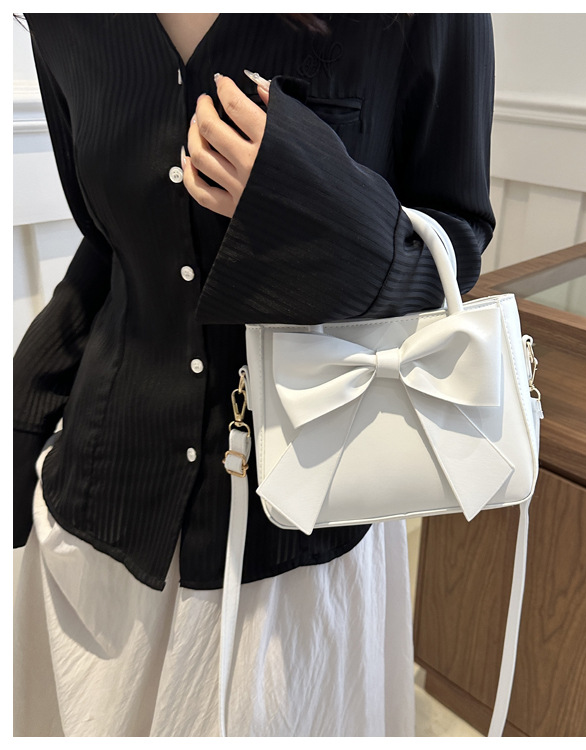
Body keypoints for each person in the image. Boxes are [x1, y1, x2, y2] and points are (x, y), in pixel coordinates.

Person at [13, 13, 495, 737]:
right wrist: (22, 418)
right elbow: (110, 248)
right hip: (94, 530)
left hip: (298, 557)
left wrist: (305, 197)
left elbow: (454, 247)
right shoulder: (63, 19)